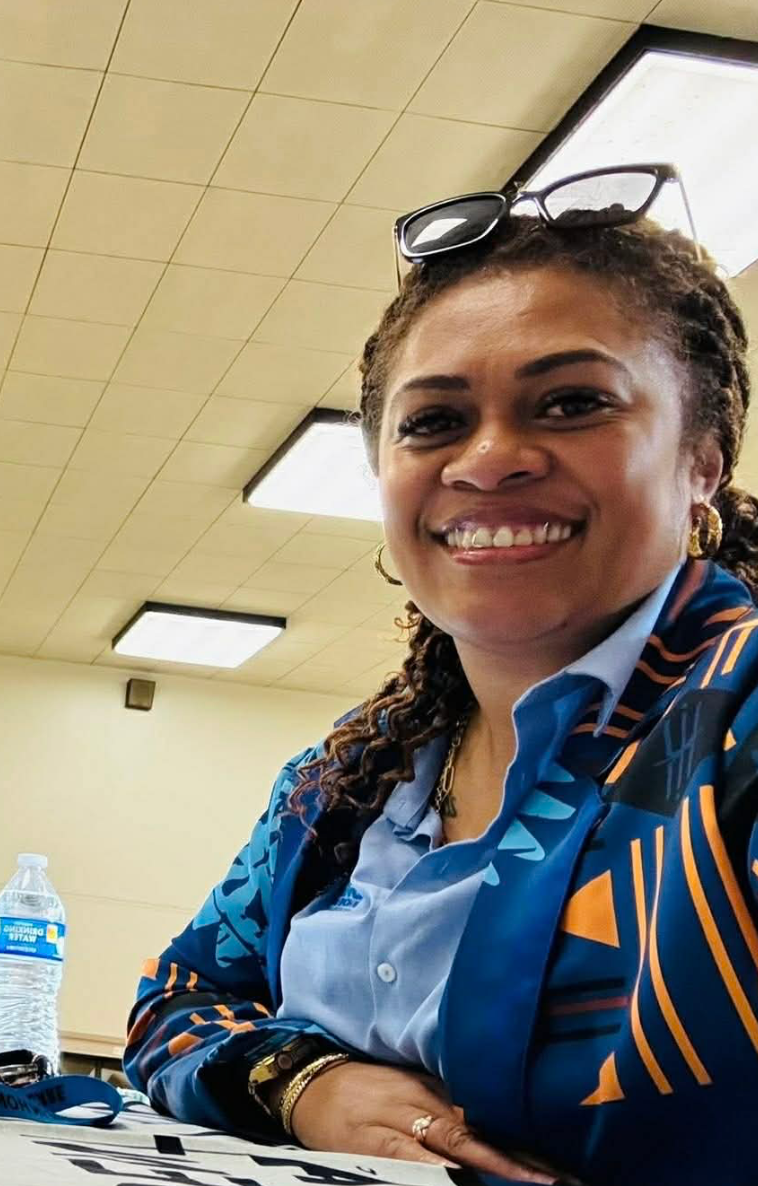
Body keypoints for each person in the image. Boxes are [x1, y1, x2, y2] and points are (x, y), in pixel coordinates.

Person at [124, 164, 758, 1186]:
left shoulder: (738, 726)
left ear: (700, 462)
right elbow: (178, 999)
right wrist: (303, 1080)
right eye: (432, 421)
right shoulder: (347, 778)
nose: (490, 457)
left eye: (570, 402)